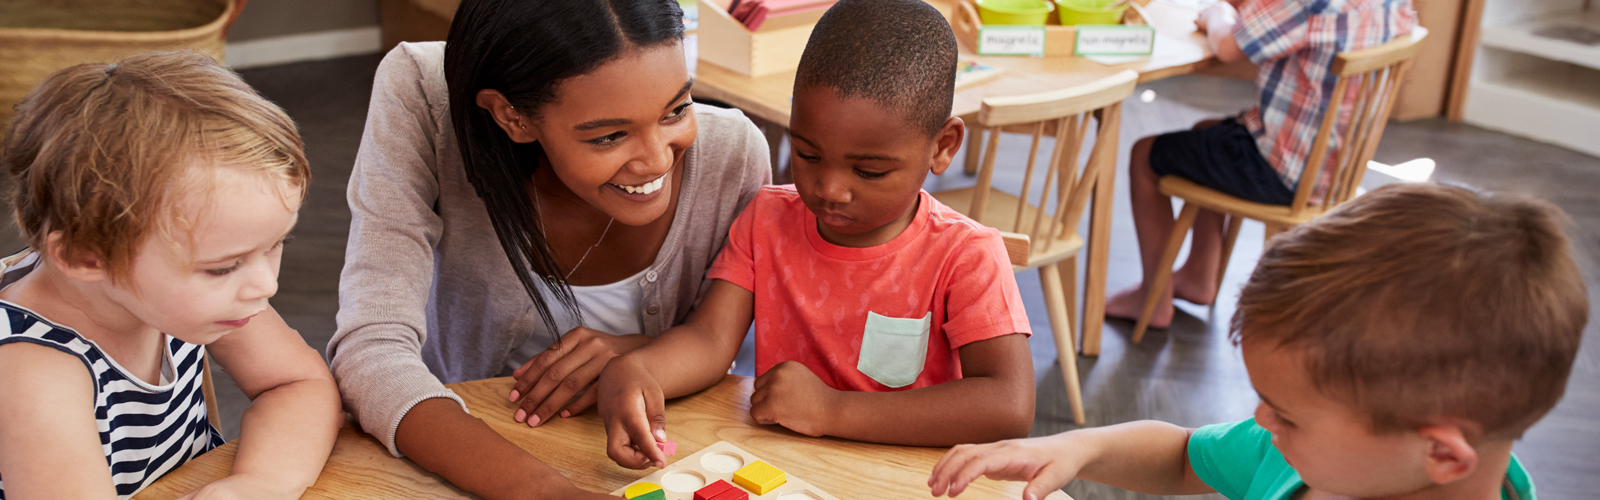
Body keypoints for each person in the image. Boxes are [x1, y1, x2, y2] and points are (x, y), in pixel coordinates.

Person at [324, 0, 770, 496]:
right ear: (511, 117)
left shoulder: (733, 154)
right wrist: (543, 493)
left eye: (677, 109)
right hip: (458, 448)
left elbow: (722, 342)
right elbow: (370, 351)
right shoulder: (426, 97)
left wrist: (641, 354)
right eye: (610, 135)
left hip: (656, 455)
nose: (654, 160)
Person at [930, 183, 1588, 500]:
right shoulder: (1300, 457)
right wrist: (1078, 446)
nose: (1262, 421)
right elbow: (1187, 456)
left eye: (1289, 414)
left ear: (1442, 454)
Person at [596, 0, 1035, 470]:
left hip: (905, 477)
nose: (829, 189)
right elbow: (709, 340)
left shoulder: (966, 255)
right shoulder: (767, 219)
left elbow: (1007, 405)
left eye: (868, 171)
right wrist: (637, 368)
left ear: (943, 146)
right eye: (807, 155)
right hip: (785, 469)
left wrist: (833, 410)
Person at [0, 51, 341, 499]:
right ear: (88, 258)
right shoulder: (32, 371)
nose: (266, 285)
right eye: (223, 266)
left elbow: (299, 383)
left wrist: (261, 482)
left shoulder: (200, 298)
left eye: (276, 245)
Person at [1105, 0, 1417, 328]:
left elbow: (1228, 45)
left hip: (1281, 170)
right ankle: (1199, 276)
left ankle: (1152, 299)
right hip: (1334, 169)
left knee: (1145, 155)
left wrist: (1217, 12)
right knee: (1206, 134)